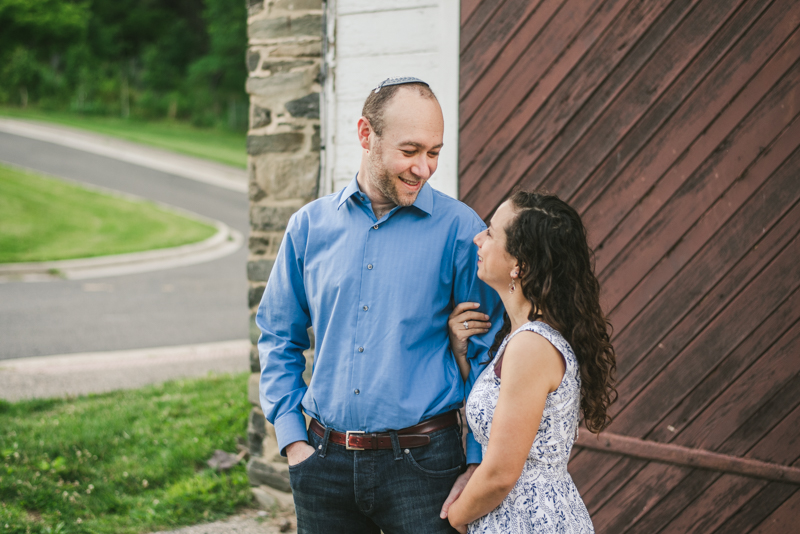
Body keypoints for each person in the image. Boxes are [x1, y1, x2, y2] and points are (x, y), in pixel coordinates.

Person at [256, 77, 503, 533]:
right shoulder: (308, 227)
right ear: (367, 135)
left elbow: (489, 356)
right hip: (322, 465)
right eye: (410, 150)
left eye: (434, 152)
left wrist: (476, 461)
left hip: (427, 470)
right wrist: (292, 438)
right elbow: (277, 336)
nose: (424, 168)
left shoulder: (461, 231)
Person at [442, 191, 617, 533]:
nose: (479, 238)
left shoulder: (531, 346)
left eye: (491, 233)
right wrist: (461, 355)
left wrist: (457, 517)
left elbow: (501, 474)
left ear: (519, 265)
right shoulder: (525, 337)